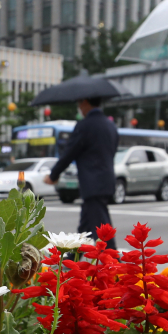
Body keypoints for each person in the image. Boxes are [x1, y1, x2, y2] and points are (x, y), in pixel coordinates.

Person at [44, 97, 119, 248]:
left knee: (102, 228)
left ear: (85, 103)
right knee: (86, 222)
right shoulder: (111, 125)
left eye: (79, 103)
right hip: (106, 180)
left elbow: (70, 152)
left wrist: (53, 175)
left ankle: (113, 263)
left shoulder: (84, 125)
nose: (79, 107)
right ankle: (73, 257)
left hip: (92, 182)